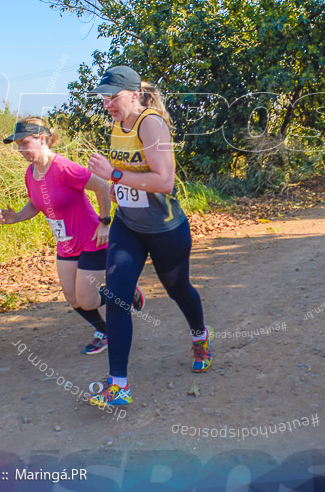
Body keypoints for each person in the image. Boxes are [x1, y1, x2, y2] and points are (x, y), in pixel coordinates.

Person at [85, 66, 211, 408]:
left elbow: (164, 181)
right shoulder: (116, 125)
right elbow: (126, 177)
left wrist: (114, 174)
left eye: (113, 96)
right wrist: (115, 187)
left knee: (177, 289)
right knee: (116, 296)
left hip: (165, 228)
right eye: (104, 97)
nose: (107, 103)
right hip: (129, 226)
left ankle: (200, 335)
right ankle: (118, 385)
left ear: (134, 94)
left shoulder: (150, 123)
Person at [0, 117, 144, 355]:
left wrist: (104, 223)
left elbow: (101, 187)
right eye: (18, 145)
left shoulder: (63, 167)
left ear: (42, 139)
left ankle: (125, 290)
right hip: (65, 243)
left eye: (25, 143)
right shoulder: (31, 172)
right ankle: (105, 331)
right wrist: (16, 217)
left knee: (87, 300)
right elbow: (35, 204)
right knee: (72, 298)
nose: (21, 150)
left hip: (91, 239)